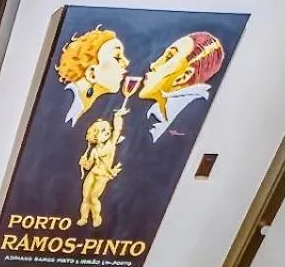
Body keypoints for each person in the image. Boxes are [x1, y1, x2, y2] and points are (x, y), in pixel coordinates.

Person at [139, 31, 226, 141]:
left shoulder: (189, 122)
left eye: (168, 57)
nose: (153, 65)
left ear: (184, 76)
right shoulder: (156, 115)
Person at [56, 26, 129, 125]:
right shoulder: (63, 105)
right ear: (92, 73)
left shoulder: (83, 106)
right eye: (117, 57)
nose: (126, 62)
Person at [77, 97, 129, 227]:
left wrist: (117, 116)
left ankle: (96, 217)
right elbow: (89, 165)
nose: (107, 133)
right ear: (95, 136)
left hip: (103, 175)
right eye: (103, 131)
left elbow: (117, 130)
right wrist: (83, 162)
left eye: (107, 131)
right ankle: (83, 217)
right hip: (93, 173)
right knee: (85, 198)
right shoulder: (93, 150)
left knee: (93, 198)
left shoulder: (111, 145)